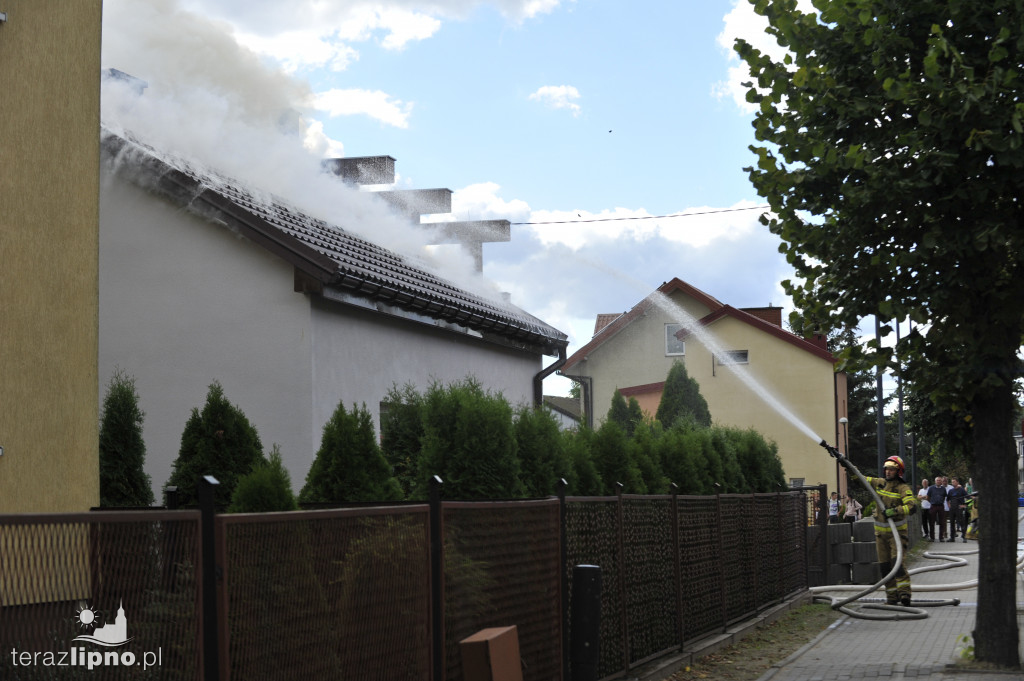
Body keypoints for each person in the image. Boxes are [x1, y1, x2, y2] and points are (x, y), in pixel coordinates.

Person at [862, 455, 917, 606]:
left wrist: (894, 511)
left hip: (897, 535)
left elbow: (912, 507)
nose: (887, 472)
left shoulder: (903, 488)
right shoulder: (880, 483)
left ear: (898, 471)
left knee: (897, 565)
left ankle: (905, 594)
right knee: (885, 568)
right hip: (880, 536)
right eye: (886, 469)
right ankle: (892, 597)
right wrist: (849, 469)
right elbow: (862, 479)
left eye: (891, 469)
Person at [926, 477, 947, 542]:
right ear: (935, 481)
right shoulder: (931, 488)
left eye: (939, 480)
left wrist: (940, 501)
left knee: (942, 522)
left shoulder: (943, 488)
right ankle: (932, 537)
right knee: (932, 522)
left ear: (941, 482)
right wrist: (932, 502)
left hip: (941, 506)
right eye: (937, 480)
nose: (938, 481)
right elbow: (928, 497)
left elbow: (944, 497)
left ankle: (941, 537)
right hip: (933, 506)